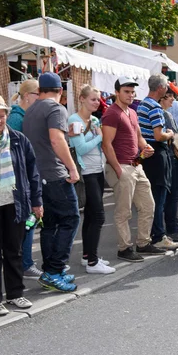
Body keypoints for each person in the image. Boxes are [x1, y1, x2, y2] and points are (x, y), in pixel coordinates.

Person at [23, 73, 79, 292]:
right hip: (55, 174)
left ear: (40, 90)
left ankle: (50, 271)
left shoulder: (32, 110)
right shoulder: (56, 108)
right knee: (70, 219)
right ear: (60, 91)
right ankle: (54, 271)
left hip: (37, 176)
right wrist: (72, 167)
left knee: (50, 225)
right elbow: (56, 140)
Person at [0, 93, 42, 315]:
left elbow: (33, 173)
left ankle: (15, 294)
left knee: (14, 250)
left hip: (16, 203)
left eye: (1, 115)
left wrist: (37, 201)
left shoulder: (19, 139)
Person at [101, 76, 165, 262]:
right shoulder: (112, 113)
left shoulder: (132, 112)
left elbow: (138, 138)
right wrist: (117, 169)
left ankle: (143, 243)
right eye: (126, 91)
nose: (130, 95)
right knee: (124, 212)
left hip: (136, 165)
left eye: (132, 91)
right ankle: (124, 248)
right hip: (122, 166)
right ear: (117, 92)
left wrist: (146, 147)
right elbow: (106, 144)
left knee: (148, 206)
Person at [68, 85, 115, 274]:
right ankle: (93, 263)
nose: (97, 102)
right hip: (86, 173)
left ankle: (88, 256)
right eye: (93, 99)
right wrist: (99, 137)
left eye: (98, 99)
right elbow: (81, 148)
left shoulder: (94, 119)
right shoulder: (74, 120)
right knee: (98, 216)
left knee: (90, 216)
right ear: (81, 99)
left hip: (97, 171)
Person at [137, 74, 178, 251]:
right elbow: (158, 135)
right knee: (159, 196)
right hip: (157, 152)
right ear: (161, 88)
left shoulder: (141, 104)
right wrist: (170, 133)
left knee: (152, 197)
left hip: (147, 152)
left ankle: (155, 234)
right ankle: (158, 235)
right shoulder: (155, 107)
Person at [7, 79, 43, 279]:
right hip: (19, 184)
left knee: (29, 222)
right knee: (28, 222)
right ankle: (25, 264)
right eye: (38, 94)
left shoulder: (24, 116)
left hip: (26, 181)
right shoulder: (15, 119)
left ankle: (24, 262)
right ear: (28, 95)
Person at [158, 90, 178, 243]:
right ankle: (172, 229)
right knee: (172, 197)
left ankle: (166, 229)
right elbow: (177, 136)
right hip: (172, 158)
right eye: (171, 96)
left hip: (164, 158)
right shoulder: (165, 115)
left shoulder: (160, 112)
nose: (173, 99)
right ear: (164, 97)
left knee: (164, 197)